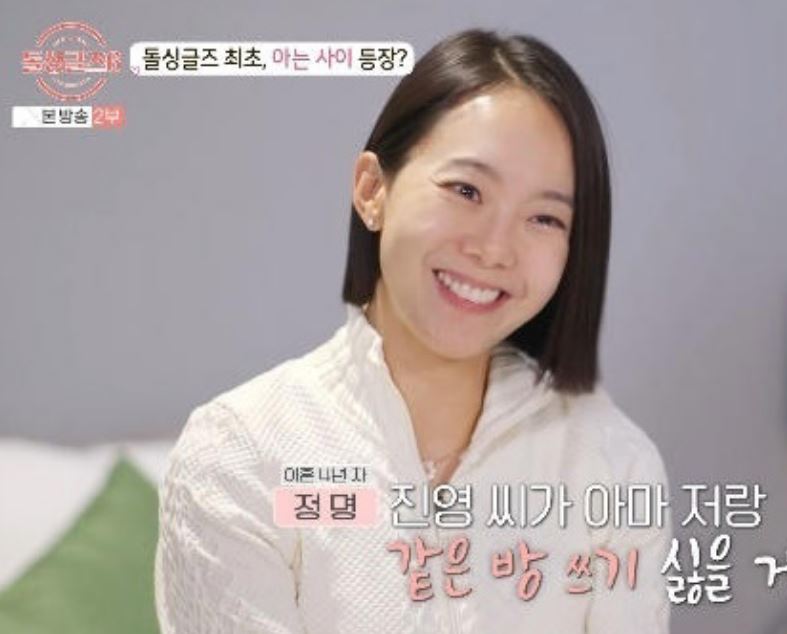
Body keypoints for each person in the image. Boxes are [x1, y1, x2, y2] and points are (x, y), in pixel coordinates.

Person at [154, 28, 671, 633]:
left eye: (544, 218)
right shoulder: (242, 453)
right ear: (372, 190)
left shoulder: (610, 463)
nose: (494, 248)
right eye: (466, 190)